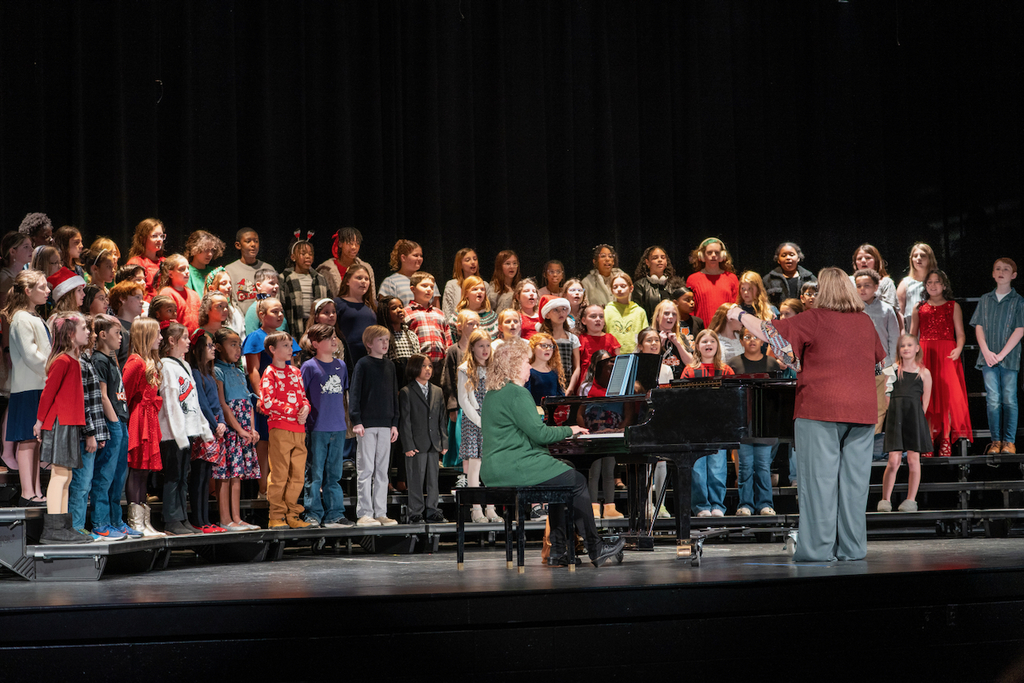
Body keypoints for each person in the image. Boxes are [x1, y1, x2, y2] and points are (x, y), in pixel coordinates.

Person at [728, 267, 885, 562]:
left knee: (819, 484)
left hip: (820, 410)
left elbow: (769, 332)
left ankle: (817, 551)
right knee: (854, 487)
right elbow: (877, 366)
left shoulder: (813, 318)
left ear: (823, 291)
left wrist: (739, 315)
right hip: (862, 413)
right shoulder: (865, 322)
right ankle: (852, 550)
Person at [480, 341, 626, 567]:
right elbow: (539, 434)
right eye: (526, 363)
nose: (529, 368)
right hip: (514, 466)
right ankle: (596, 548)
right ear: (514, 365)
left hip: (494, 469)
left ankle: (559, 550)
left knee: (562, 476)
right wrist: (571, 429)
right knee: (575, 480)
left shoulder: (493, 393)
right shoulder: (517, 393)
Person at [34, 313, 93, 544]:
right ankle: (53, 529)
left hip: (70, 422)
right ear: (70, 334)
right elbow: (48, 393)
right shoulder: (62, 361)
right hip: (60, 422)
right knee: (60, 474)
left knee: (66, 475)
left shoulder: (73, 360)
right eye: (84, 328)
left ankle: (64, 527)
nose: (88, 332)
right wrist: (39, 422)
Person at [88, 315, 141, 539]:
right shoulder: (99, 360)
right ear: (102, 335)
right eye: (117, 333)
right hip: (113, 423)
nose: (121, 337)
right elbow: (101, 396)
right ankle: (100, 522)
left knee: (119, 476)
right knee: (105, 475)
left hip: (121, 420)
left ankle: (115, 520)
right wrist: (114, 423)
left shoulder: (111, 359)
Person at [158, 322, 214, 535]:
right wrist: (178, 433)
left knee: (183, 474)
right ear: (171, 341)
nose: (189, 342)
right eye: (184, 338)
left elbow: (193, 400)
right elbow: (171, 403)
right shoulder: (165, 365)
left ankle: (182, 517)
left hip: (187, 431)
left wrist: (203, 428)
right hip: (173, 433)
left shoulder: (185, 366)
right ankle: (172, 519)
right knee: (173, 475)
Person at [911, 269, 972, 457]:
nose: (932, 286)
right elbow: (912, 334)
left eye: (936, 282)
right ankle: (928, 437)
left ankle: (945, 438)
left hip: (947, 353)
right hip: (925, 353)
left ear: (944, 285)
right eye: (929, 283)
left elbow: (960, 333)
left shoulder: (953, 306)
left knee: (946, 396)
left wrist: (959, 348)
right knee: (927, 396)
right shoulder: (919, 307)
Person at [243, 297, 299, 498]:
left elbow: (291, 368)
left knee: (283, 442)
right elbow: (254, 370)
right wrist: (261, 396)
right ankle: (263, 489)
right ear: (261, 315)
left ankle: (282, 487)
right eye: (274, 311)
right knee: (265, 443)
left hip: (285, 398)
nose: (280, 315)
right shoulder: (255, 337)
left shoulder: (285, 337)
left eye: (281, 311)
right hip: (266, 397)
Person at [4, 270, 51, 506]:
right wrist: (53, 369)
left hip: (39, 386)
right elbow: (32, 355)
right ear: (27, 291)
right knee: (27, 439)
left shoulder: (35, 318)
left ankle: (36, 490)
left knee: (36, 439)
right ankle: (27, 492)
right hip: (28, 388)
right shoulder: (21, 319)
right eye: (42, 287)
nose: (47, 291)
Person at [300, 324, 353, 528]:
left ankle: (335, 514)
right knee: (315, 472)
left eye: (335, 337)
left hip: (338, 427)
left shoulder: (341, 365)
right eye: (328, 338)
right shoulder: (309, 367)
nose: (334, 340)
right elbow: (302, 395)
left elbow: (343, 396)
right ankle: (313, 512)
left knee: (334, 473)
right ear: (315, 343)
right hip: (317, 427)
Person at [970, 257, 1024, 455]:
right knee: (993, 399)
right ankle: (995, 441)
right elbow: (979, 327)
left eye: (1006, 269)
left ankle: (1009, 441)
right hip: (988, 358)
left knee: (1009, 398)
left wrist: (1001, 354)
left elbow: (1020, 329)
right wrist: (986, 351)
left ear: (1014, 275)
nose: (1001, 272)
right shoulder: (985, 299)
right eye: (998, 269)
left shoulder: (1018, 301)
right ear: (993, 274)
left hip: (1008, 358)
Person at [68, 315, 115, 539]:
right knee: (81, 484)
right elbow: (83, 401)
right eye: (87, 329)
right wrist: (90, 433)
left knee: (84, 483)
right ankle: (76, 527)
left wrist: (99, 432)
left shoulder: (85, 360)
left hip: (91, 432)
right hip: (82, 434)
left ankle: (78, 526)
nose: (92, 333)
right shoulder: (77, 362)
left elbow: (94, 399)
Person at [259, 331, 312, 529]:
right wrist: (291, 410)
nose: (291, 350)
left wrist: (306, 408)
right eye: (286, 346)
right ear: (272, 350)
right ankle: (276, 516)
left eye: (291, 346)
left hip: (299, 429)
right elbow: (266, 402)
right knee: (280, 473)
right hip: (280, 428)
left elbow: (303, 397)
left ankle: (292, 514)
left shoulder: (296, 372)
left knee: (297, 474)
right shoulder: (270, 372)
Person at [728, 327, 782, 517]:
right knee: (745, 466)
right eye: (747, 337)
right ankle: (745, 505)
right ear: (741, 341)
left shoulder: (772, 364)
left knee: (762, 465)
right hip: (743, 423)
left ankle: (765, 504)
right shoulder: (733, 364)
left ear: (763, 341)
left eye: (756, 337)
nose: (752, 340)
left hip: (766, 424)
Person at [350, 325, 400, 527]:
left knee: (382, 471)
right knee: (366, 469)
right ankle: (364, 513)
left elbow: (394, 396)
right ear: (369, 343)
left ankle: (380, 511)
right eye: (380, 340)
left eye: (387, 340)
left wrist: (394, 423)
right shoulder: (363, 364)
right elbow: (355, 394)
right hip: (367, 425)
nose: (385, 343)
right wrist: (357, 420)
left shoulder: (390, 366)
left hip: (386, 425)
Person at [681, 329, 735, 517]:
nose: (708, 344)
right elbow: (681, 399)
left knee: (717, 469)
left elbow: (732, 400)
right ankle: (701, 506)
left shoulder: (726, 370)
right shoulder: (690, 370)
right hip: (695, 427)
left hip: (718, 428)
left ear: (717, 346)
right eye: (704, 341)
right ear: (697, 346)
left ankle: (717, 506)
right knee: (697, 470)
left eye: (712, 341)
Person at [212, 328, 260, 531]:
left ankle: (237, 518)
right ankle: (225, 518)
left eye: (239, 345)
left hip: (244, 429)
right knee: (225, 475)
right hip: (231, 430)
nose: (238, 349)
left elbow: (248, 403)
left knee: (237, 475)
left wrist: (253, 429)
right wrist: (239, 429)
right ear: (218, 347)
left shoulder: (239, 371)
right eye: (232, 345)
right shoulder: (217, 370)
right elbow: (223, 404)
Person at [878, 334, 932, 513]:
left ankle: (910, 500)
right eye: (902, 346)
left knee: (913, 459)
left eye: (909, 345)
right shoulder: (892, 370)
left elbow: (925, 402)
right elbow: (887, 397)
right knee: (893, 461)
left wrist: (917, 419)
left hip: (913, 418)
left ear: (917, 348)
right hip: (896, 417)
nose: (906, 348)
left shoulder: (924, 373)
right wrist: (893, 415)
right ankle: (885, 500)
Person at [122, 318, 166, 537]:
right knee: (137, 470)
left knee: (144, 471)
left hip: (149, 419)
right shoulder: (136, 362)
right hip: (138, 420)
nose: (161, 338)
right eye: (157, 333)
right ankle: (135, 521)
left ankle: (144, 520)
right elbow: (124, 395)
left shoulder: (149, 361)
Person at [855, 268, 900, 459]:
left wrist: (890, 365)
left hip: (882, 366)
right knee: (859, 404)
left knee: (881, 406)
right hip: (858, 367)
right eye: (859, 286)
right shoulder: (853, 310)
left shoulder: (886, 309)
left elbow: (894, 338)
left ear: (876, 287)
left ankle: (873, 446)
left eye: (867, 286)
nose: (862, 289)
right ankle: (858, 444)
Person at [398, 353, 448, 523]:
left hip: (433, 442)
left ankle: (433, 509)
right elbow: (405, 421)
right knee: (415, 478)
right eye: (423, 366)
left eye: (429, 366)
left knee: (433, 480)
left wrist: (443, 441)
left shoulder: (437, 391)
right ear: (414, 368)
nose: (427, 369)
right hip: (416, 443)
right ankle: (415, 511)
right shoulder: (407, 392)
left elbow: (442, 417)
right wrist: (408, 445)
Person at [187, 330, 228, 533]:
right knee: (199, 475)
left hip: (215, 428)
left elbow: (218, 402)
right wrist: (214, 424)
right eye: (209, 345)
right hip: (205, 429)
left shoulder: (209, 373)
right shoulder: (195, 373)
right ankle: (198, 520)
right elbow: (202, 403)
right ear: (199, 349)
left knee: (207, 476)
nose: (213, 349)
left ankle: (205, 520)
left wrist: (221, 422)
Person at [457, 329, 499, 523]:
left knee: (491, 466)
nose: (485, 350)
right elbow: (464, 400)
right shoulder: (465, 369)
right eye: (481, 346)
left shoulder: (494, 368)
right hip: (475, 422)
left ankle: (491, 508)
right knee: (475, 466)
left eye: (487, 345)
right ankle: (476, 509)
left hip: (493, 420)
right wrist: (481, 422)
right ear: (472, 347)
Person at [280, 233, 330, 338]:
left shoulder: (320, 278)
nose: (308, 256)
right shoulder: (284, 278)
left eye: (310, 254)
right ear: (293, 257)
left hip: (315, 324)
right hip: (294, 324)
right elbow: (281, 304)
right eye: (303, 253)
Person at [686, 237, 739, 326]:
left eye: (717, 253)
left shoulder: (732, 278)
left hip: (726, 332)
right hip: (702, 333)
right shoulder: (693, 279)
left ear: (722, 255)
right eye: (709, 252)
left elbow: (737, 306)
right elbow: (689, 310)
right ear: (702, 256)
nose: (713, 255)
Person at [333, 264, 377, 365]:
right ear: (347, 281)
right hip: (349, 356)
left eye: (366, 279)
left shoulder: (373, 305)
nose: (363, 282)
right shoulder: (338, 303)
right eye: (359, 278)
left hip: (371, 354)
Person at [317, 227, 376, 300]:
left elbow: (372, 298)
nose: (354, 247)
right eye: (349, 243)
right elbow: (322, 299)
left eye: (357, 244)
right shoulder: (327, 270)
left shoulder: (366, 268)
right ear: (340, 244)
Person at [539, 296, 581, 394]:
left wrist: (571, 387)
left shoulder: (572, 338)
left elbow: (576, 367)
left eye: (564, 309)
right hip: (547, 382)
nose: (561, 313)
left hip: (566, 384)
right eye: (556, 310)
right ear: (547, 315)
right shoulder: (543, 338)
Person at [224, 227, 269, 316]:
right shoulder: (230, 270)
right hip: (241, 323)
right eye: (248, 241)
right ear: (238, 245)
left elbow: (276, 298)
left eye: (256, 241)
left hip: (267, 322)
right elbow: (230, 300)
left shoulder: (268, 269)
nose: (253, 244)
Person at [851, 244, 899, 323]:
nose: (863, 261)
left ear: (876, 261)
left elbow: (890, 311)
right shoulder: (849, 281)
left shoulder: (885, 282)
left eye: (868, 258)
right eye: (859, 258)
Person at [379, 239, 435, 307]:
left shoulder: (428, 280)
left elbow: (435, 307)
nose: (419, 259)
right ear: (403, 258)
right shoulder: (391, 282)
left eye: (421, 256)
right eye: (415, 255)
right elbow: (384, 310)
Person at [896, 242, 938, 331]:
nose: (918, 258)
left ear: (930, 259)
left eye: (922, 256)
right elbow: (900, 312)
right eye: (915, 256)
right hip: (912, 331)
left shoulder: (939, 281)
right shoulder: (905, 283)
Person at [604, 273, 648, 354]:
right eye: (615, 287)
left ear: (631, 288)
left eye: (623, 286)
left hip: (634, 354)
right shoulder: (607, 310)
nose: (619, 289)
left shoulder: (639, 311)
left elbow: (644, 335)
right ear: (611, 290)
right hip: (612, 355)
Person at [763, 242, 816, 309]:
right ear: (778, 260)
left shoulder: (810, 278)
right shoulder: (768, 280)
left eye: (791, 254)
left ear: (798, 258)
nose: (788, 258)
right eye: (784, 255)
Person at [157, 254, 202, 333]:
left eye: (188, 268)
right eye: (182, 269)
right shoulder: (167, 293)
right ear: (170, 274)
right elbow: (168, 322)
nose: (187, 272)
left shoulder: (194, 294)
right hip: (177, 339)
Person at [577, 303, 620, 383]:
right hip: (586, 383)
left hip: (606, 383)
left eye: (601, 316)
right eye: (593, 316)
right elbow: (576, 366)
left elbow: (619, 365)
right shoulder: (580, 339)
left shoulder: (611, 339)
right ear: (583, 320)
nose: (598, 319)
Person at [125, 218, 166, 301]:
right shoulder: (136, 262)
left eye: (161, 236)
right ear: (142, 239)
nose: (159, 239)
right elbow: (132, 291)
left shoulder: (165, 261)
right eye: (154, 236)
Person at [632, 246, 675, 321]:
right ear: (647, 262)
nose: (660, 260)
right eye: (655, 258)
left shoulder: (674, 284)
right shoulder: (640, 285)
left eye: (663, 257)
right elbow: (638, 313)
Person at [652, 300, 692, 379]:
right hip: (659, 381)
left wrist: (678, 344)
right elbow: (648, 364)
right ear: (657, 317)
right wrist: (660, 344)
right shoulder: (651, 336)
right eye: (666, 313)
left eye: (674, 314)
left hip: (679, 383)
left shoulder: (681, 337)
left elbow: (691, 363)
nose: (670, 317)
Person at [109, 280, 144, 368]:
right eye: (137, 297)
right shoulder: (115, 327)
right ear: (122, 299)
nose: (142, 301)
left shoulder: (139, 328)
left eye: (142, 298)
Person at [452, 275, 498, 341]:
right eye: (475, 289)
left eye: (482, 289)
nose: (480, 292)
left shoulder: (492, 318)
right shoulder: (457, 317)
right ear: (466, 294)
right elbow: (451, 341)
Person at [442, 248, 485, 319]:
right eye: (468, 260)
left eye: (475, 259)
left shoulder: (484, 284)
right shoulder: (452, 285)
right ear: (460, 265)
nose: (473, 262)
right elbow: (447, 312)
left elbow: (487, 308)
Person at [242, 268, 287, 335]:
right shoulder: (254, 309)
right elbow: (252, 337)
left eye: (277, 283)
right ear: (258, 285)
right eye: (272, 283)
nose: (277, 286)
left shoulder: (279, 307)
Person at [582, 243, 624, 309]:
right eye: (603, 256)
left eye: (610, 256)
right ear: (595, 261)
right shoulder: (587, 282)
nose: (607, 259)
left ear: (613, 261)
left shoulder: (623, 278)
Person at [184, 230, 225, 295]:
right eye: (206, 249)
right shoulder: (186, 271)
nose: (210, 254)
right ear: (194, 248)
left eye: (212, 250)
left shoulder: (215, 271)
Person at [488, 249, 521, 314]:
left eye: (515, 263)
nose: (512, 267)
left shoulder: (519, 287)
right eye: (507, 263)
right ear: (500, 266)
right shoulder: (495, 288)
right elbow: (489, 312)